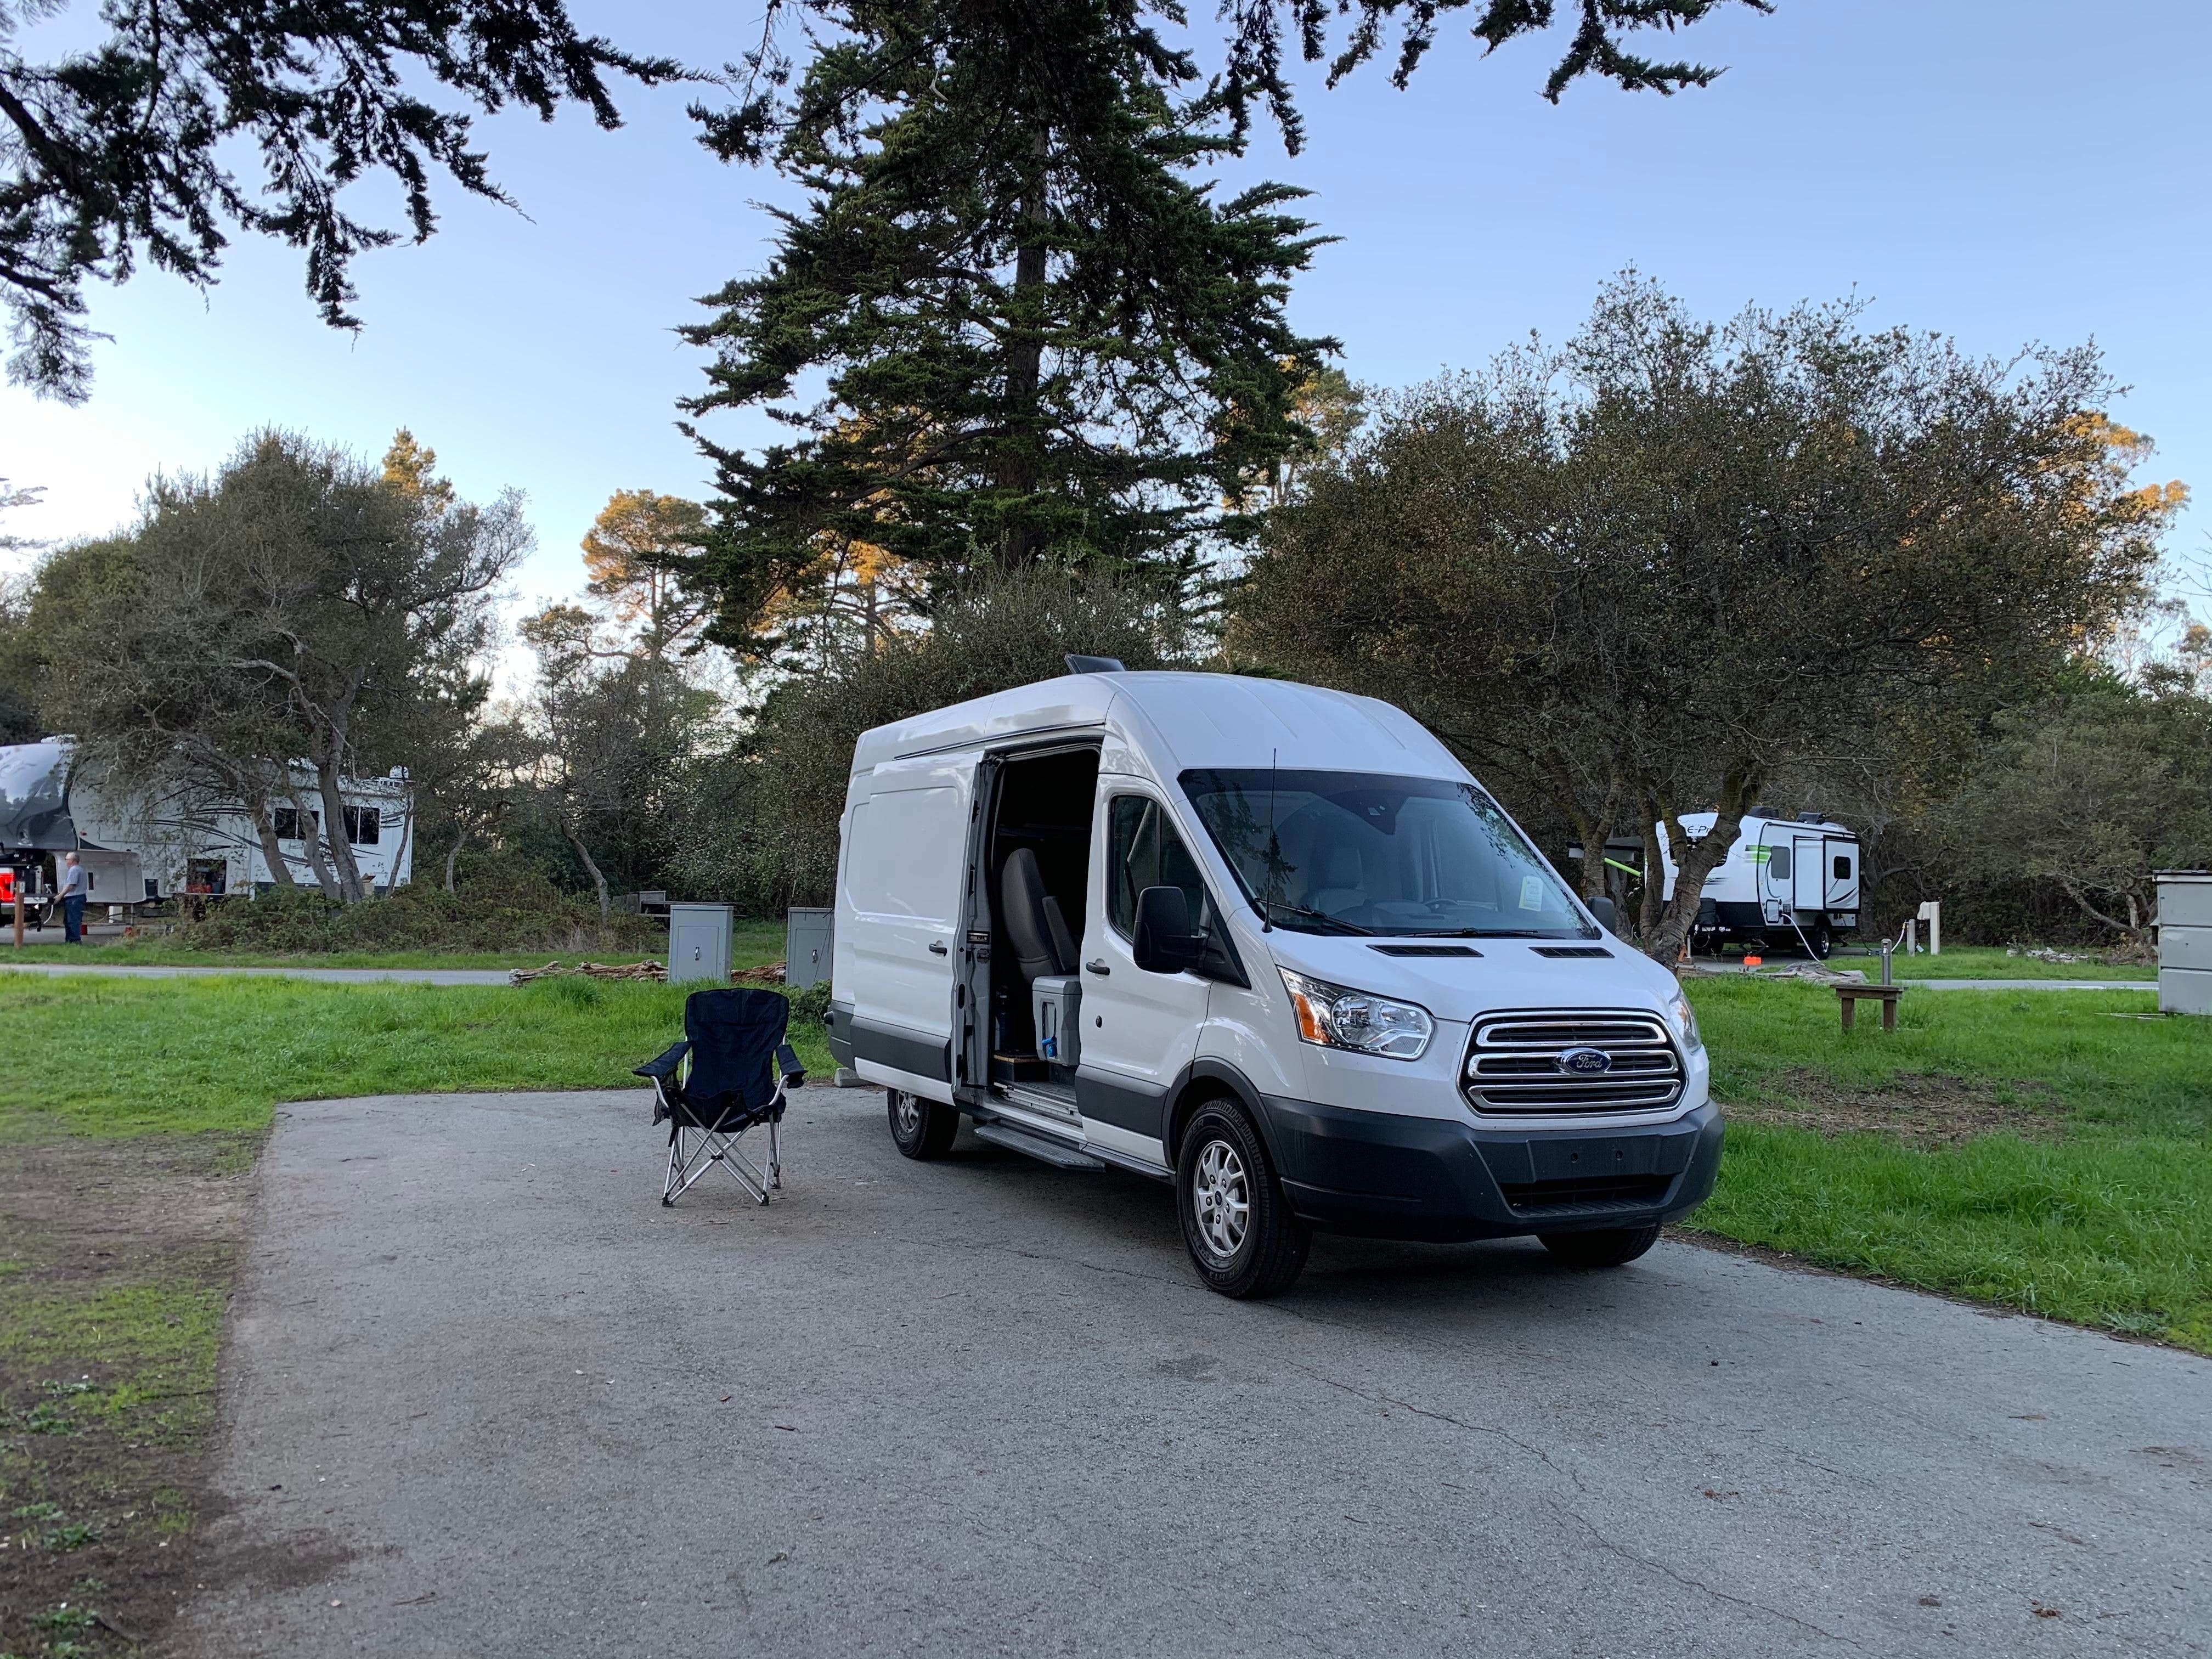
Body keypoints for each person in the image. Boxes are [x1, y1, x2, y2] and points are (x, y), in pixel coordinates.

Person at [58, 849, 88, 945]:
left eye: (67, 859)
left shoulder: (74, 870)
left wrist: (60, 895)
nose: (66, 861)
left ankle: (75, 940)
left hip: (74, 899)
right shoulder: (78, 869)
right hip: (76, 898)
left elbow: (71, 885)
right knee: (68, 920)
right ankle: (69, 940)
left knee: (73, 920)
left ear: (73, 860)